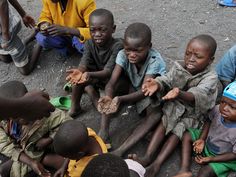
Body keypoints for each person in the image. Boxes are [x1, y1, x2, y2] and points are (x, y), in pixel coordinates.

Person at [120, 34, 218, 177]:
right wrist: (157, 84)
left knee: (177, 131)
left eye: (198, 56)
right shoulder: (180, 66)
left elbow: (198, 94)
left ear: (211, 60)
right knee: (164, 121)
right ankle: (148, 156)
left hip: (194, 114)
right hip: (176, 105)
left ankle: (156, 165)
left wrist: (179, 93)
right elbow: (167, 78)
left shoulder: (211, 77)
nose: (191, 59)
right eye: (188, 53)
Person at [98, 22, 166, 142]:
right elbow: (112, 82)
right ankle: (103, 131)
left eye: (138, 51)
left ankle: (143, 130)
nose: (132, 54)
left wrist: (121, 99)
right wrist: (109, 97)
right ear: (124, 45)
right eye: (128, 49)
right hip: (133, 86)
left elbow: (144, 91)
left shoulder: (154, 61)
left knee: (154, 111)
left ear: (149, 46)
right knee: (110, 92)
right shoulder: (123, 54)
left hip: (148, 91)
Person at [0, 81, 71, 177]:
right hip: (25, 150)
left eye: (23, 113)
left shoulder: (45, 112)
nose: (21, 119)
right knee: (4, 169)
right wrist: (30, 162)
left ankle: (48, 159)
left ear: (30, 103)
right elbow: (4, 145)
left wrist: (49, 139)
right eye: (16, 116)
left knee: (67, 146)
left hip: (37, 148)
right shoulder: (5, 121)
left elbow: (68, 124)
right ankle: (45, 160)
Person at [66, 8, 123, 117]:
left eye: (102, 30)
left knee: (107, 110)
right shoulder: (89, 44)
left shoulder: (118, 46)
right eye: (93, 30)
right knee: (78, 79)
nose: (97, 34)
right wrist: (79, 71)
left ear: (113, 29)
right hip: (97, 77)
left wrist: (89, 74)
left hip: (113, 81)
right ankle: (75, 108)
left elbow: (108, 72)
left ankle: (91, 91)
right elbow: (84, 63)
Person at [173, 81, 236, 177]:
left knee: (205, 172)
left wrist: (211, 159)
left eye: (232, 107)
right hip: (207, 143)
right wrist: (202, 139)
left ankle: (210, 162)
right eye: (223, 102)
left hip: (223, 158)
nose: (224, 108)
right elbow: (208, 121)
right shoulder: (217, 110)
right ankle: (184, 170)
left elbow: (233, 155)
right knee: (187, 135)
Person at [0, 0, 39, 75]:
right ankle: (31, 38)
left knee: (25, 70)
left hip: (5, 31)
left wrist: (6, 35)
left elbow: (2, 1)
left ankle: (40, 40)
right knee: (6, 59)